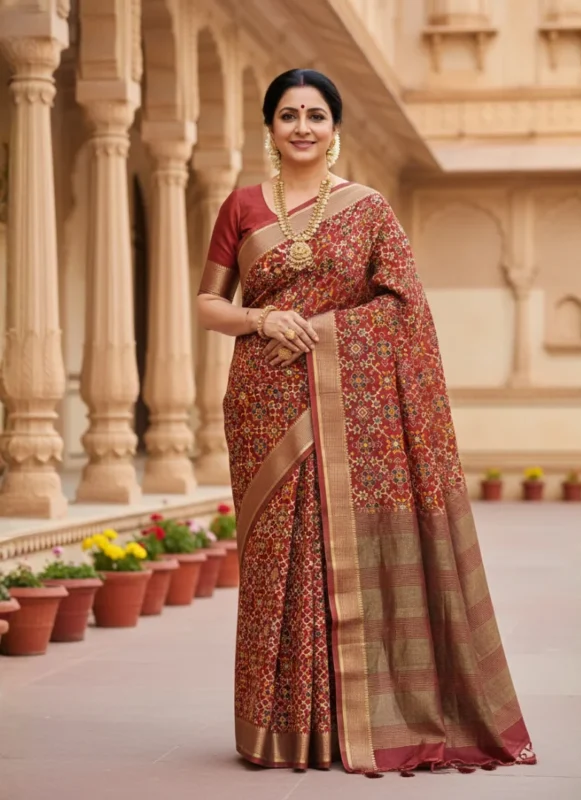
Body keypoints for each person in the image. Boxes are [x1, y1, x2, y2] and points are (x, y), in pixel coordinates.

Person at [196, 68, 536, 777]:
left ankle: (351, 721)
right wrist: (261, 317)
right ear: (270, 127)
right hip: (263, 400)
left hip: (351, 404)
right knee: (274, 567)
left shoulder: (370, 208)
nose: (301, 128)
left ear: (335, 128)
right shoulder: (241, 206)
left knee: (339, 550)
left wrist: (324, 333)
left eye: (315, 116)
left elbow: (405, 307)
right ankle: (280, 728)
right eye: (288, 115)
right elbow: (208, 304)